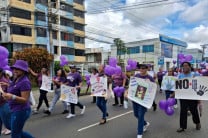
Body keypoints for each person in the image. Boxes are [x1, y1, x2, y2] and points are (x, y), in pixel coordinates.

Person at [1, 60, 34, 138]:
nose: (15, 70)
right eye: (14, 68)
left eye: (18, 69)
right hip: (14, 109)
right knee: (15, 129)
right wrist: (7, 84)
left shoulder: (25, 82)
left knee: (15, 134)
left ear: (23, 70)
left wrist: (12, 97)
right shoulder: (16, 79)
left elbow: (25, 99)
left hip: (21, 110)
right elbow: (15, 88)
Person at [126, 64, 155, 138]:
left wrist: (150, 101)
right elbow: (131, 85)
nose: (141, 70)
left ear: (146, 69)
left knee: (141, 115)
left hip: (144, 100)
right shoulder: (137, 76)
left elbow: (153, 89)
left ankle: (139, 133)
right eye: (140, 68)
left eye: (143, 68)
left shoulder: (150, 78)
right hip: (136, 98)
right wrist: (127, 92)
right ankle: (145, 123)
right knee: (136, 114)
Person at [176, 62, 201, 132]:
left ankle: (197, 122)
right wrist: (174, 94)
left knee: (194, 111)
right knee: (183, 111)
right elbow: (177, 86)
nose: (185, 67)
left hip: (193, 97)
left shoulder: (195, 74)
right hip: (183, 97)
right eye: (183, 66)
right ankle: (182, 126)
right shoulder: (180, 76)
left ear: (190, 67)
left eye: (186, 65)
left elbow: (200, 84)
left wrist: (199, 98)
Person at [0, 68, 11, 136]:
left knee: (9, 126)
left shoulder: (4, 81)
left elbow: (10, 93)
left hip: (4, 105)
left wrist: (3, 94)